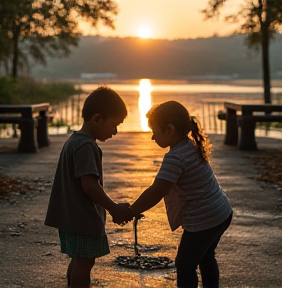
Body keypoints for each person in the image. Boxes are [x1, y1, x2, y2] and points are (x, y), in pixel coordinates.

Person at [129, 100, 233, 288]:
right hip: (221, 213)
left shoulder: (175, 157)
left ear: (169, 129)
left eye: (154, 131)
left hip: (204, 220)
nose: (152, 137)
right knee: (206, 256)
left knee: (185, 265)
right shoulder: (191, 147)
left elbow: (156, 191)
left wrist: (131, 210)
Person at [44, 86, 133, 288]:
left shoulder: (73, 141)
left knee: (77, 260)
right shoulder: (87, 146)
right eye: (114, 125)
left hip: (70, 217)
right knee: (85, 263)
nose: (115, 132)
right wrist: (114, 208)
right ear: (97, 119)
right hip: (82, 218)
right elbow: (90, 186)